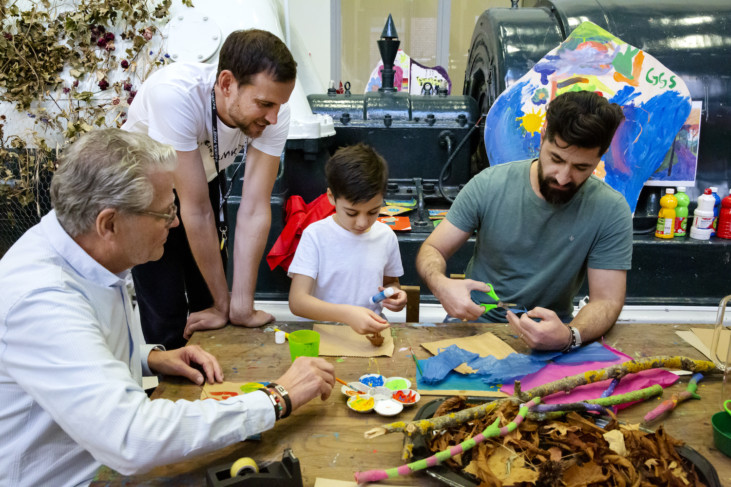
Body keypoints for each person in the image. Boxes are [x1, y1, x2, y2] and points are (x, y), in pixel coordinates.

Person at [0, 129, 335, 487]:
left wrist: (149, 358)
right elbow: (133, 438)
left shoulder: (83, 251)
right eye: (165, 212)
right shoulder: (42, 299)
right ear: (109, 223)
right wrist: (275, 398)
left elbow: (74, 356)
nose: (174, 223)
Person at [416, 90, 631, 351]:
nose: (563, 177)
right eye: (556, 159)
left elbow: (606, 301)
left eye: (581, 168)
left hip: (555, 331)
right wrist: (441, 285)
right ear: (542, 138)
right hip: (475, 323)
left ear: (600, 157)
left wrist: (570, 335)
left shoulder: (610, 209)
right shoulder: (490, 185)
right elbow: (433, 248)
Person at [122, 29, 296, 349]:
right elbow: (196, 209)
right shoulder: (175, 94)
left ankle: (214, 390)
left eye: (280, 105)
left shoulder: (275, 112)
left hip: (202, 175)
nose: (274, 117)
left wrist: (239, 305)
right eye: (264, 104)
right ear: (227, 83)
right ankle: (173, 392)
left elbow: (255, 209)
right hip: (143, 192)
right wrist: (221, 302)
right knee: (168, 316)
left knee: (212, 306)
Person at [288, 144, 407, 335]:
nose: (362, 222)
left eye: (373, 212)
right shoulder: (316, 236)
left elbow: (391, 281)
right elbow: (297, 302)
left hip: (370, 334)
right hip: (324, 334)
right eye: (351, 212)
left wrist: (394, 295)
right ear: (331, 197)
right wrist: (347, 315)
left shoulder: (386, 236)